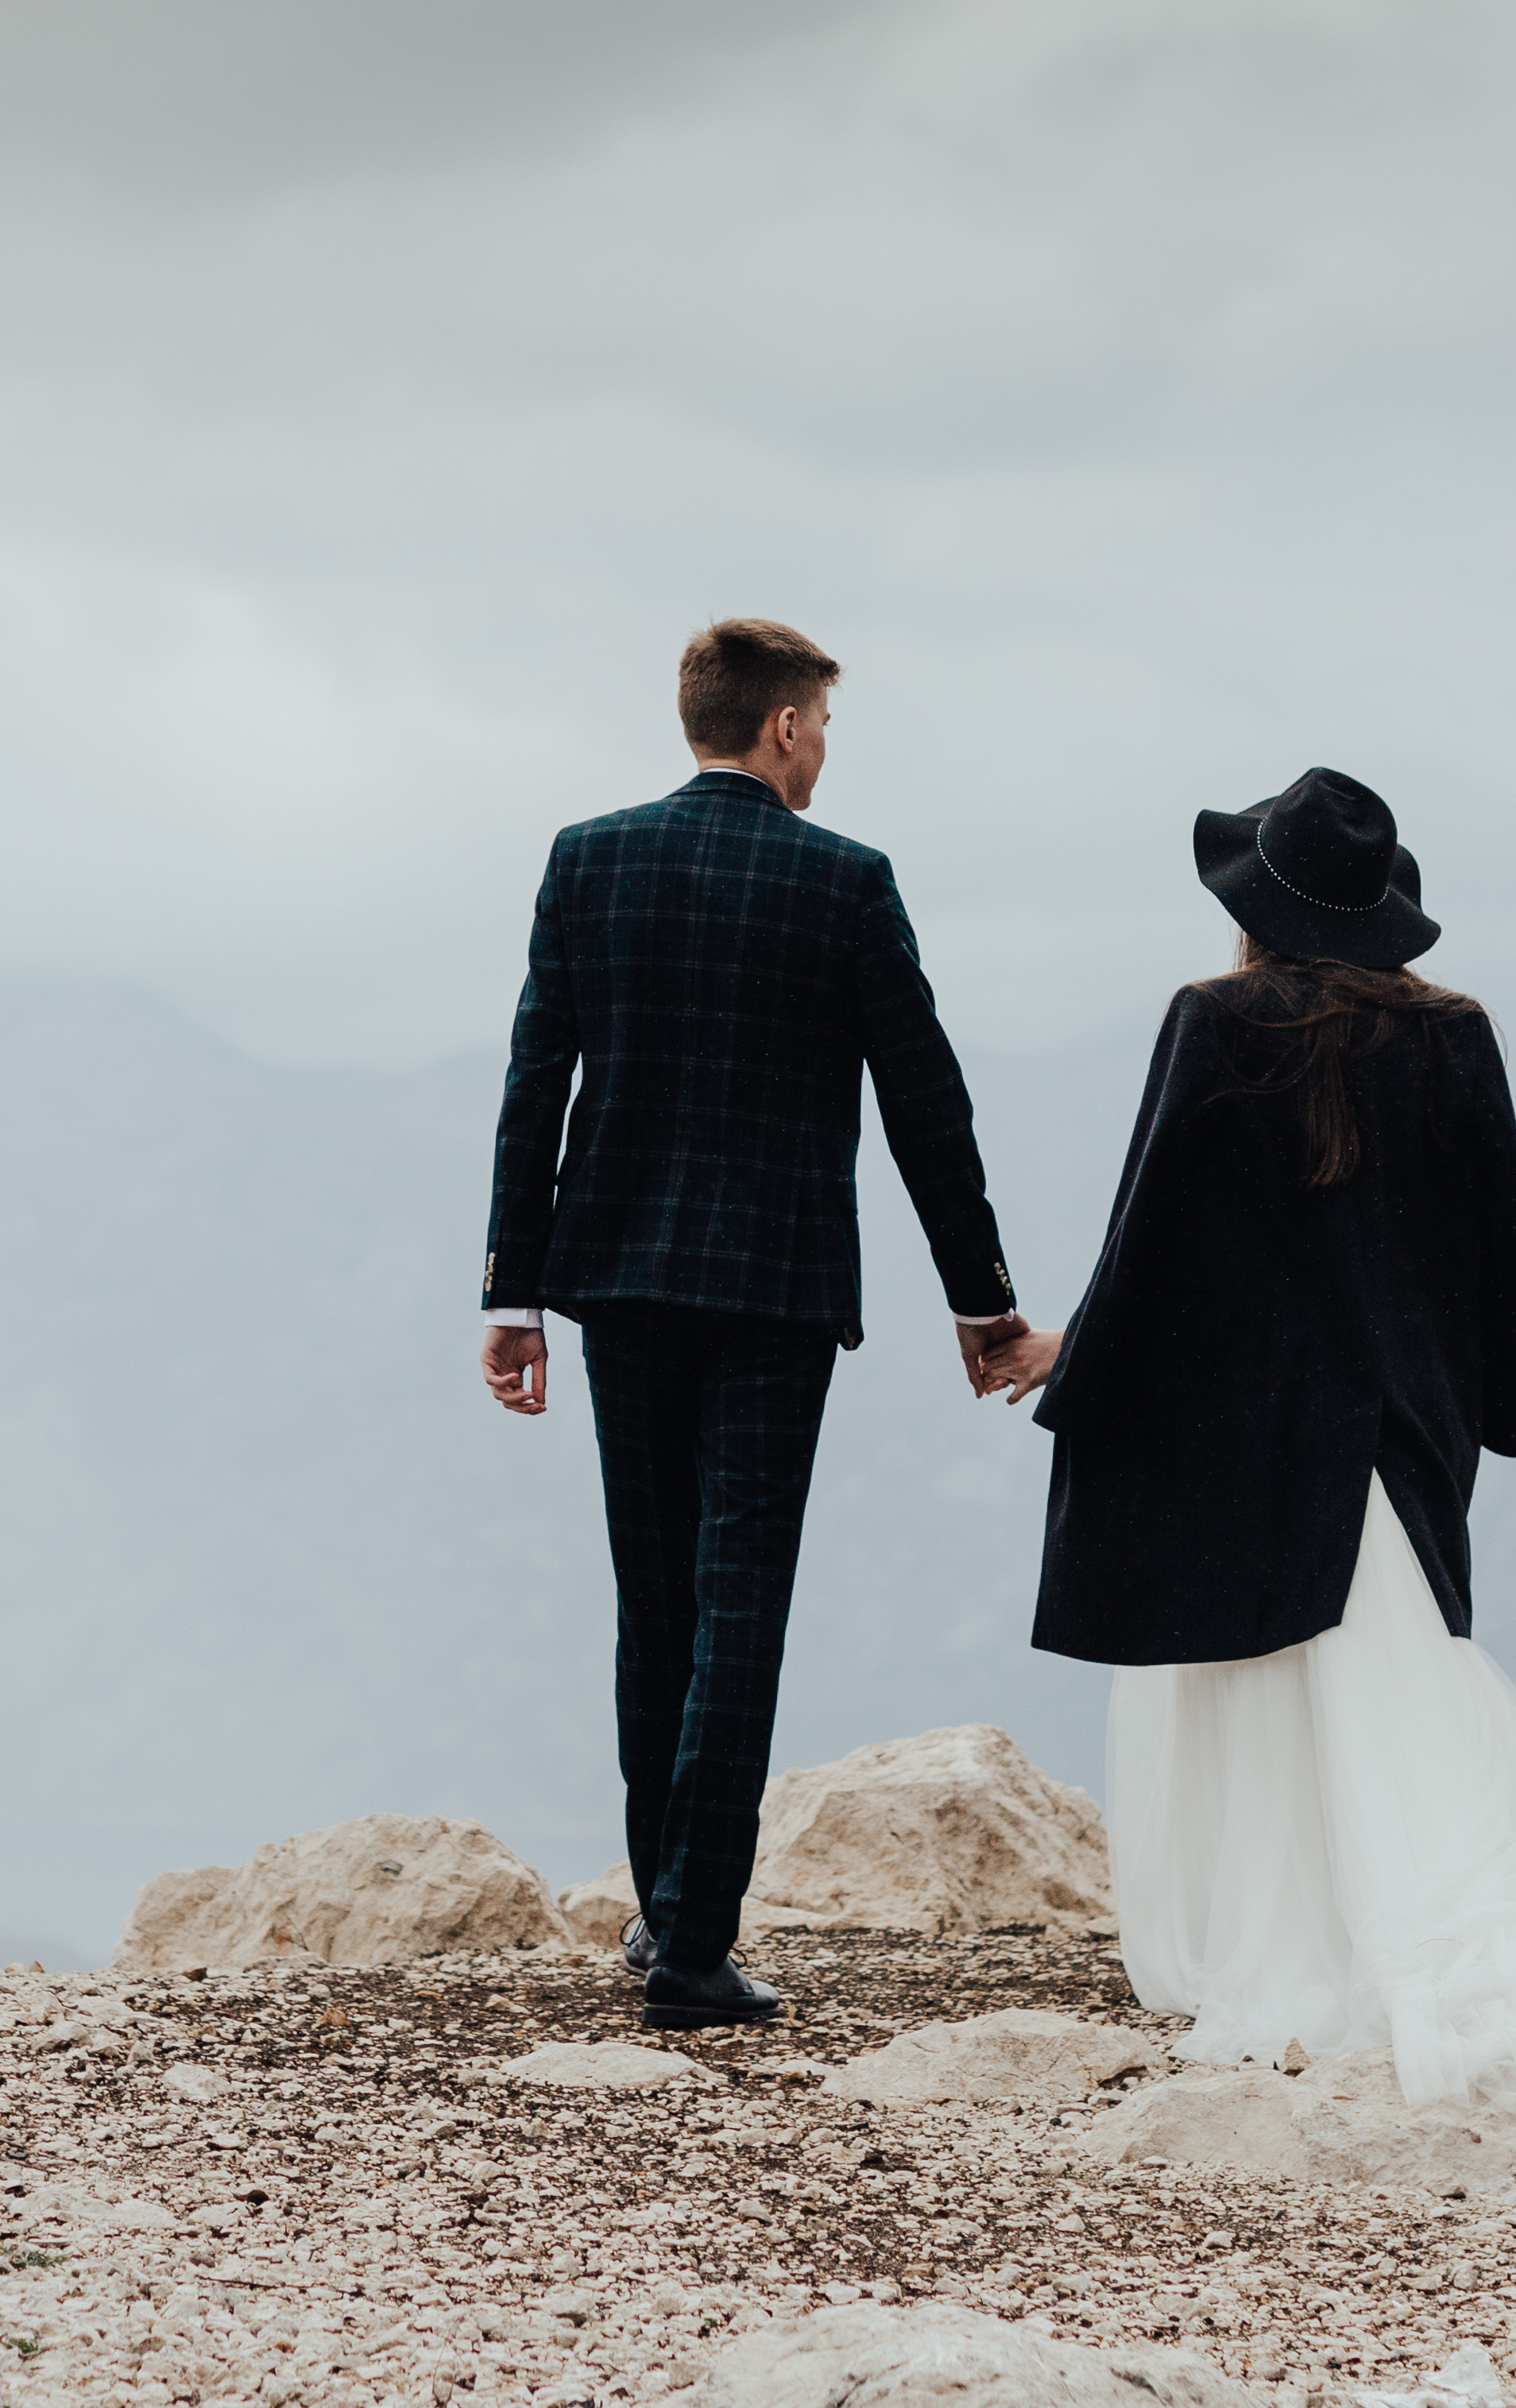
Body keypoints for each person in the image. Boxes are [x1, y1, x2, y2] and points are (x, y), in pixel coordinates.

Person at [982, 767, 1516, 2109]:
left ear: (1253, 907)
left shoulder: (1212, 1021)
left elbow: (1153, 1235)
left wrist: (1070, 1363)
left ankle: (1291, 1942)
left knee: (1257, 1681)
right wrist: (1489, 1411)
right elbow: (1507, 1248)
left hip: (1237, 1425)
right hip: (1397, 1422)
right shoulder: (1454, 1035)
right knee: (1389, 1677)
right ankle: (1410, 1930)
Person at [479, 617, 1025, 2031]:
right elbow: (926, 1103)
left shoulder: (587, 858)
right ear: (784, 726)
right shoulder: (845, 883)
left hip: (616, 1280)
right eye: (824, 725)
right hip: (776, 1290)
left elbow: (537, 1080)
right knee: (741, 1604)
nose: (826, 749)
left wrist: (511, 1291)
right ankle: (692, 1947)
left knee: (652, 1597)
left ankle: (666, 1910)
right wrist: (982, 1302)